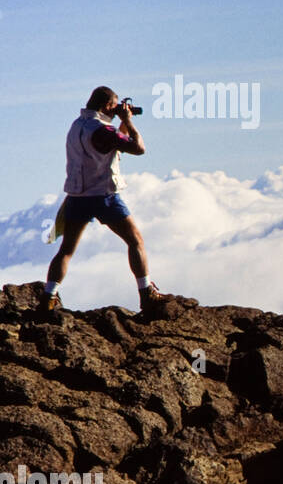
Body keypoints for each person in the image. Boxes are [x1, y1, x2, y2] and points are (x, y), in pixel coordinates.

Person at [39, 86, 179, 314]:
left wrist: (121, 122)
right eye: (114, 107)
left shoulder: (77, 126)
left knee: (66, 250)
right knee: (135, 241)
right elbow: (138, 148)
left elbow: (114, 141)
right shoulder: (102, 130)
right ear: (107, 106)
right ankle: (146, 294)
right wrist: (129, 122)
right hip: (104, 196)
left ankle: (48, 296)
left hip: (77, 196)